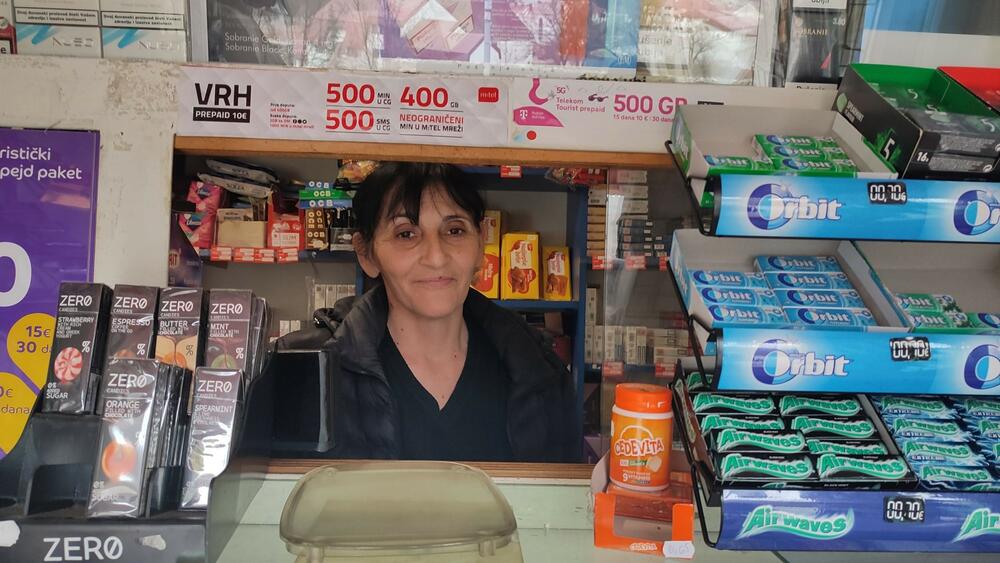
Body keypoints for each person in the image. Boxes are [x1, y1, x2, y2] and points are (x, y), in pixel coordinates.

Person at [319, 162, 578, 462]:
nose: (437, 257)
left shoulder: (540, 372)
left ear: (480, 243)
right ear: (366, 254)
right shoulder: (321, 375)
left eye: (455, 230)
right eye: (406, 234)